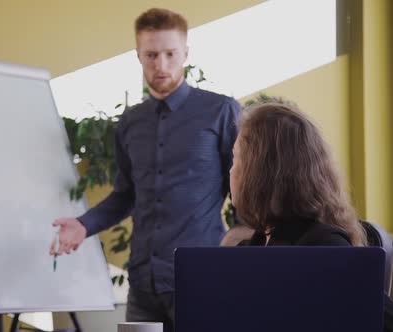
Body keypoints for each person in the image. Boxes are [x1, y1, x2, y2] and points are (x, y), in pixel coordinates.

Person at [51, 8, 241, 331]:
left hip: (201, 278)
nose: (161, 65)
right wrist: (84, 225)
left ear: (186, 53)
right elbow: (125, 195)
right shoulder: (129, 123)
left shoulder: (221, 111)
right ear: (137, 55)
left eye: (170, 54)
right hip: (143, 283)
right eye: (151, 55)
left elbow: (243, 189)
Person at [230, 103, 366, 246]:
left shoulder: (326, 246)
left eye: (236, 157)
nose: (230, 170)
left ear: (262, 171)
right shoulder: (256, 243)